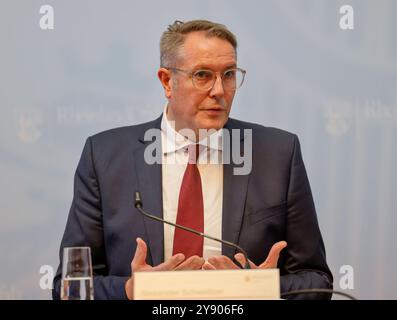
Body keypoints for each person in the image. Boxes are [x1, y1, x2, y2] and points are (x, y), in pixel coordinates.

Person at [53, 19, 333, 300]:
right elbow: (69, 286)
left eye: (229, 74)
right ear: (167, 81)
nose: (219, 90)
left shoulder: (278, 154)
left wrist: (260, 287)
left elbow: (317, 281)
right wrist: (130, 291)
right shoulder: (104, 156)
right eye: (202, 75)